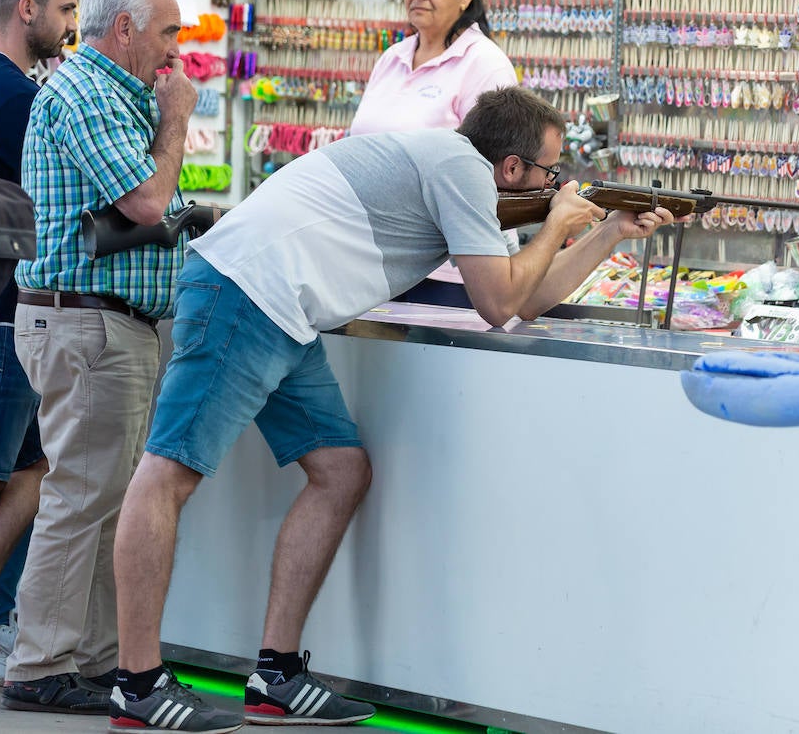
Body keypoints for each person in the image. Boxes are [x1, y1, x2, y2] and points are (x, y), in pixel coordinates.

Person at [111, 86, 674, 733]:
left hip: (285, 306)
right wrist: (553, 224)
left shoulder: (457, 170)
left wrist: (607, 232)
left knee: (342, 471)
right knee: (168, 473)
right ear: (512, 169)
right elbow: (497, 302)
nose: (557, 182)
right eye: (551, 171)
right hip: (247, 288)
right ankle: (138, 683)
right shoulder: (460, 167)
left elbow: (527, 297)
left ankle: (277, 674)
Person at [4, 0, 193, 714]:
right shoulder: (87, 95)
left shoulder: (114, 97)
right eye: (169, 33)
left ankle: (93, 660)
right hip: (88, 325)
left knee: (107, 500)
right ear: (126, 30)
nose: (177, 53)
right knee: (83, 497)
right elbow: (149, 201)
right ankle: (40, 665)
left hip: (109, 324)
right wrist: (175, 120)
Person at [0, 0, 77, 693]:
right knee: (19, 471)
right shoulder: (23, 101)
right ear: (27, 10)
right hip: (7, 313)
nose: (69, 23)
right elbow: (61, 205)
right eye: (66, 9)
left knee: (28, 467)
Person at [350, 0, 518, 308]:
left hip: (445, 272)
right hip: (369, 265)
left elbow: (498, 174)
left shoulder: (484, 64)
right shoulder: (391, 59)